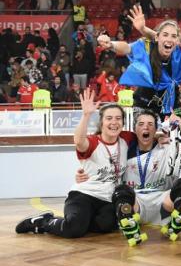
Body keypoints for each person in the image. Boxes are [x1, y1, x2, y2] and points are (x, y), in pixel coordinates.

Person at [16, 89, 132, 239]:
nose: (114, 122)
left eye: (118, 118)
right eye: (109, 118)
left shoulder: (127, 139)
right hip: (83, 195)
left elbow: (147, 137)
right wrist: (86, 115)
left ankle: (80, 222)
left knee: (107, 225)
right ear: (102, 122)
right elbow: (78, 141)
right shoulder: (93, 142)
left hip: (107, 199)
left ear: (123, 121)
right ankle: (43, 222)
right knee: (74, 229)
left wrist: (162, 139)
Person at [76, 111, 181, 243]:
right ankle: (127, 218)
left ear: (156, 129)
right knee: (121, 191)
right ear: (135, 130)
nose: (146, 127)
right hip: (135, 202)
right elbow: (100, 165)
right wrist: (84, 174)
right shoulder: (123, 150)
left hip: (165, 201)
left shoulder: (167, 146)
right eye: (141, 124)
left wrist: (176, 125)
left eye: (150, 124)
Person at [97, 5, 181, 117]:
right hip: (144, 101)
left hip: (171, 103)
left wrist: (143, 29)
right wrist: (111, 44)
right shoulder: (146, 47)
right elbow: (127, 48)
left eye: (174, 36)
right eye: (165, 35)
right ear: (157, 38)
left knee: (177, 130)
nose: (169, 39)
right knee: (142, 129)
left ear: (178, 41)